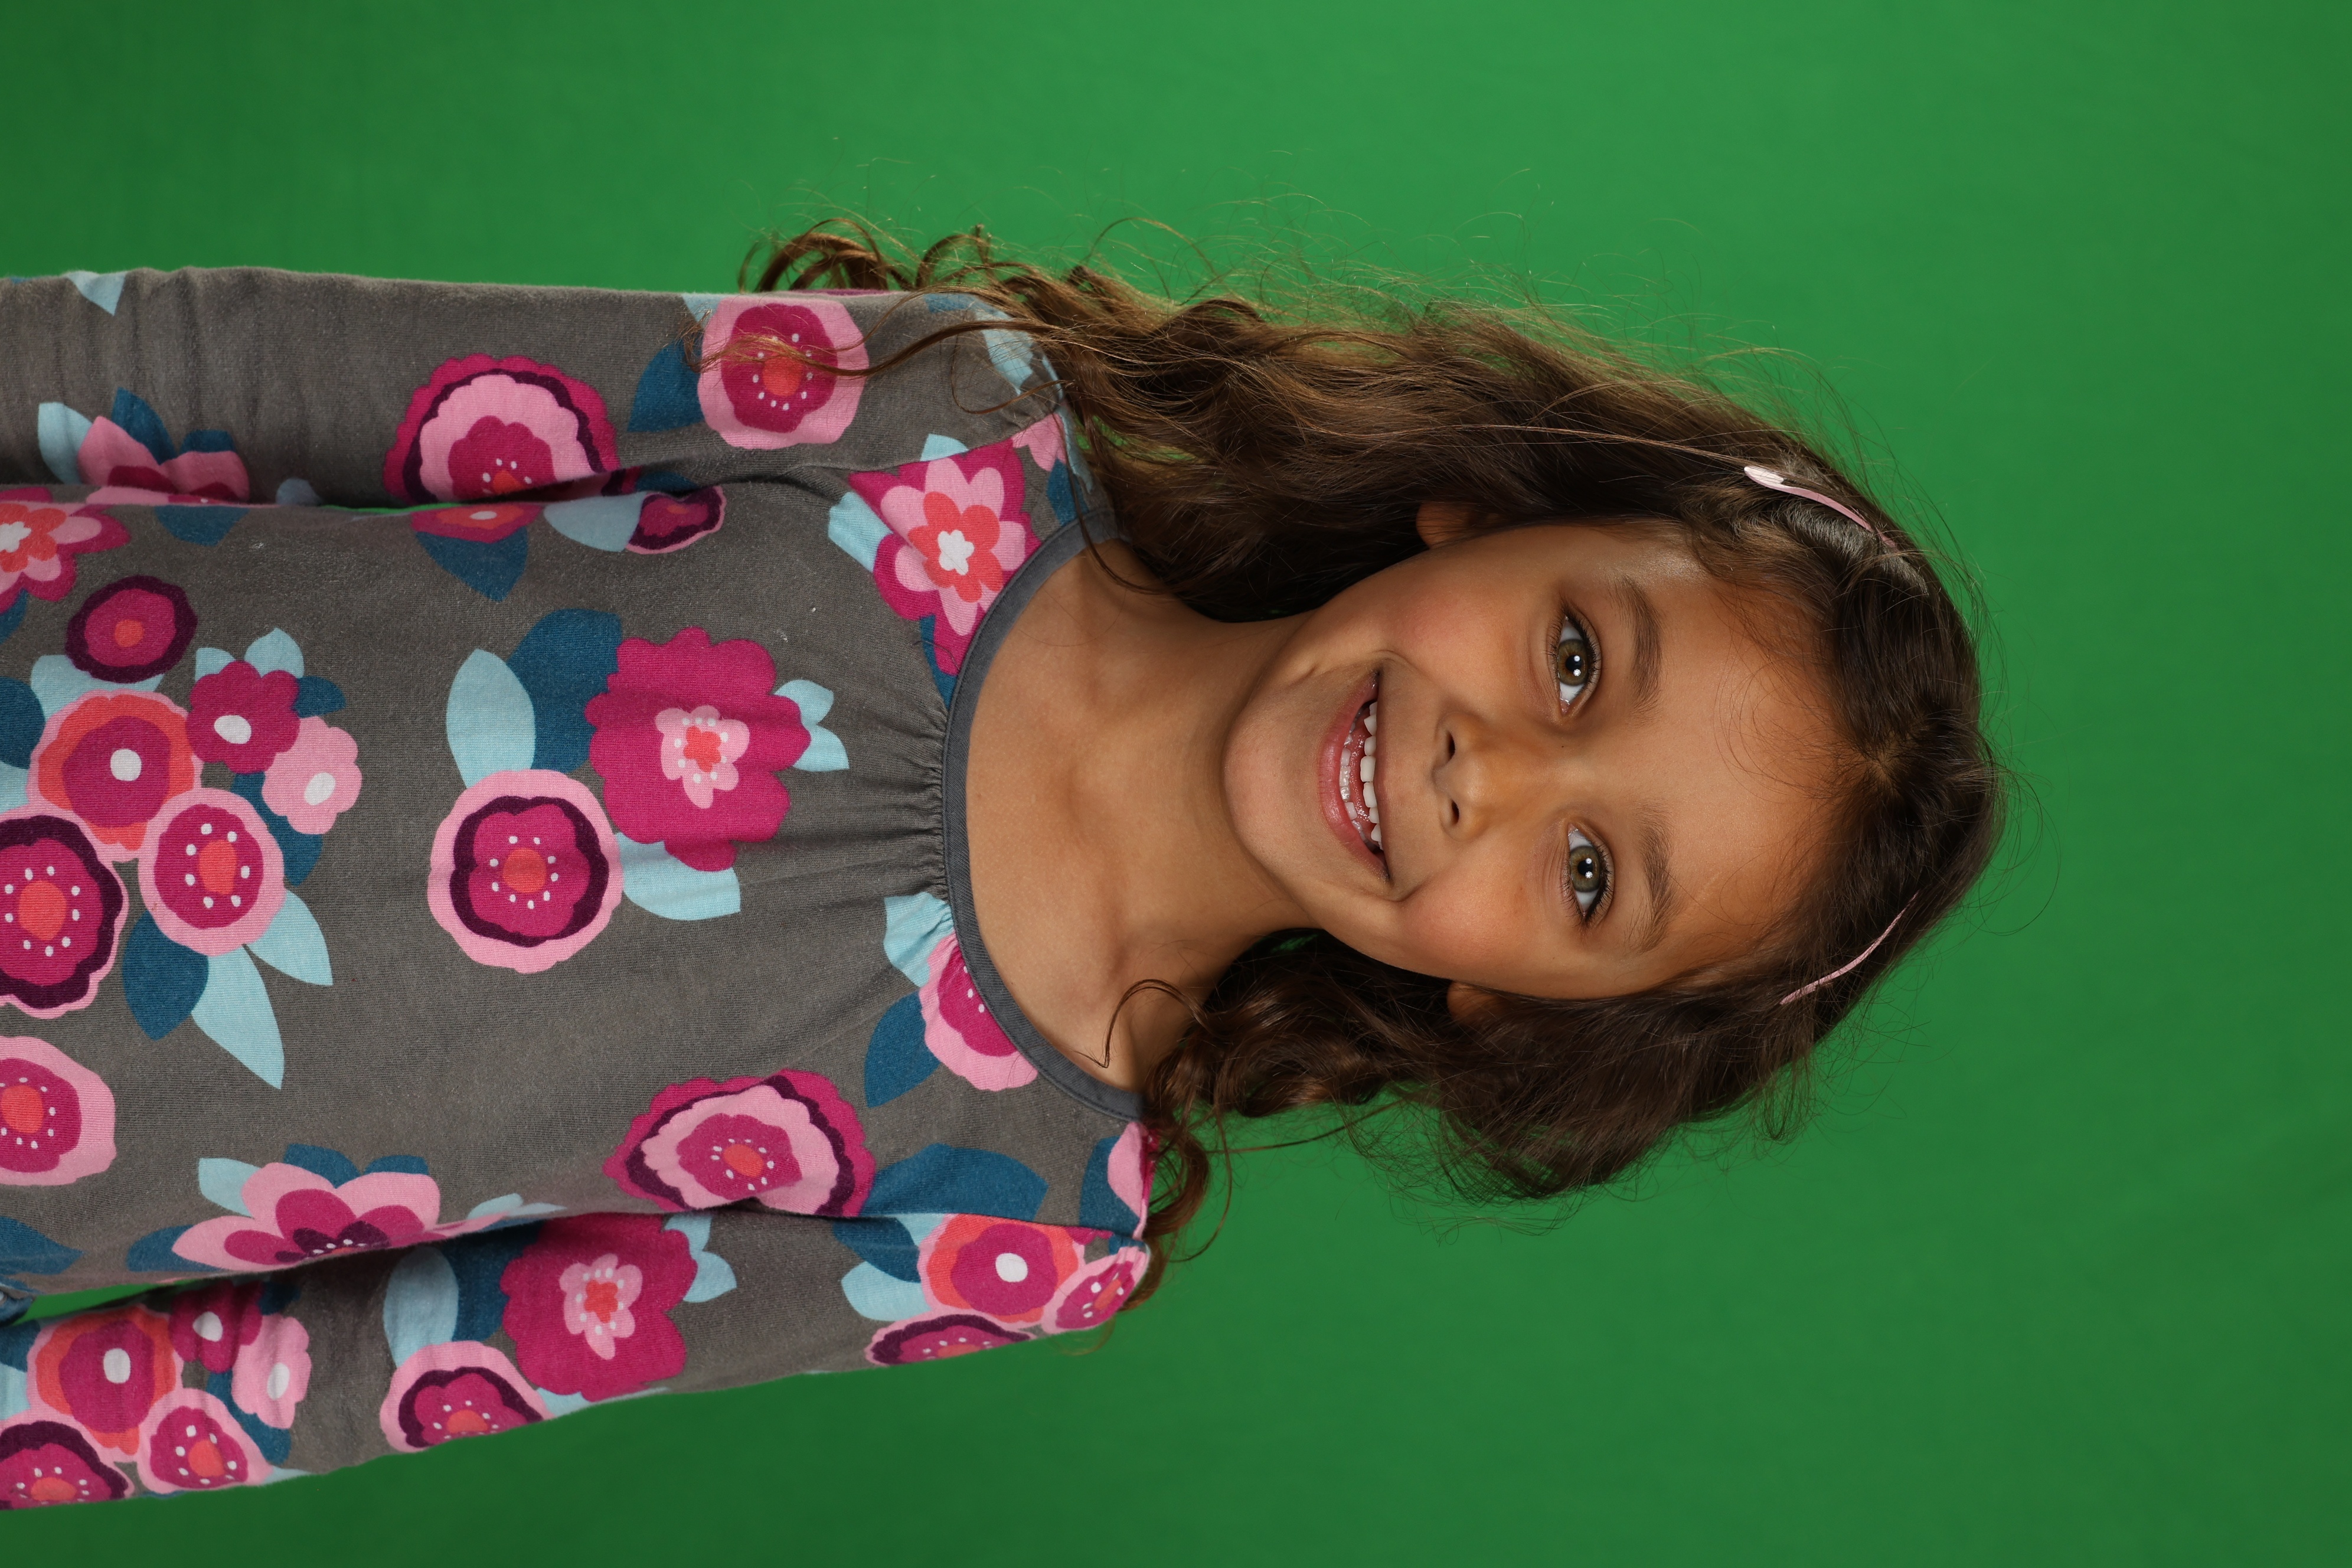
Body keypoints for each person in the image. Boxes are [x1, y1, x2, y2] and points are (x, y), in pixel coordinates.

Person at [0, 226, 2001, 1504]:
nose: (1500, 773)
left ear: (1522, 1012)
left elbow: (384, 1366)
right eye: (1574, 658)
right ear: (1487, 512)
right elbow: (249, 372)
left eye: (1590, 878)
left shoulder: (1014, 1224)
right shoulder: (937, 427)